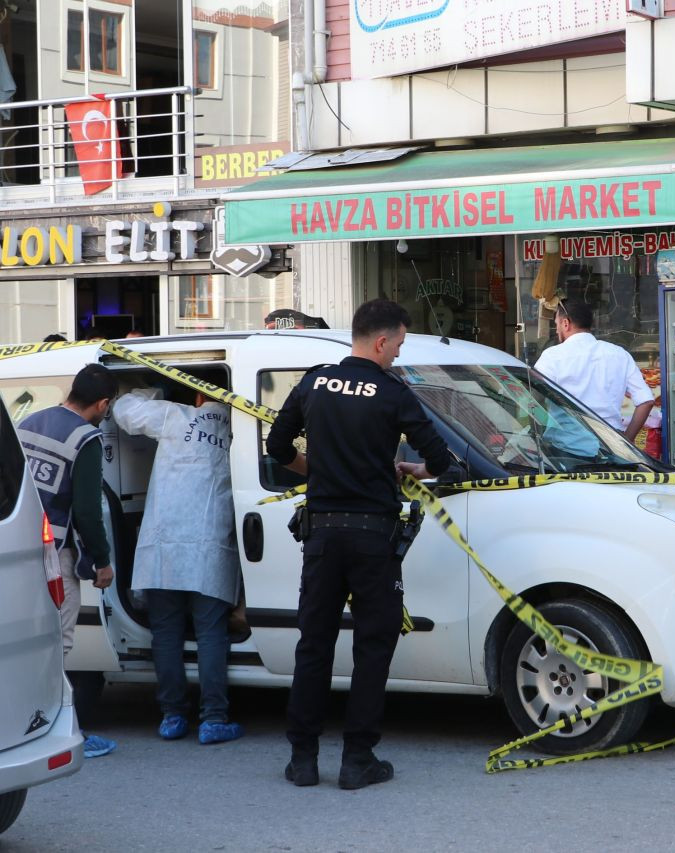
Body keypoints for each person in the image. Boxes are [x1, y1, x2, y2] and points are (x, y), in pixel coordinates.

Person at [266, 299, 453, 790]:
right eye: (399, 345)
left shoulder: (313, 381)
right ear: (382, 341)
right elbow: (441, 460)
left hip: (322, 535)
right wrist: (416, 470)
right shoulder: (393, 392)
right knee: (373, 648)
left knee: (314, 646)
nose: (398, 355)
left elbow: (278, 449)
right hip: (373, 538)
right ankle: (357, 761)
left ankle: (302, 760)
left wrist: (320, 471)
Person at [112, 385, 243, 745]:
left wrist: (151, 386)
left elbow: (124, 410)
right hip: (209, 549)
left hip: (165, 549)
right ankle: (214, 719)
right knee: (211, 634)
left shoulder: (174, 415)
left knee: (166, 634)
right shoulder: (241, 429)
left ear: (198, 397)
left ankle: (173, 717)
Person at [16, 364, 119, 759]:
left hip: (16, 547)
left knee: (24, 643)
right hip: (53, 554)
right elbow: (89, 511)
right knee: (59, 642)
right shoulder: (86, 438)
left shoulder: (28, 422)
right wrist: (103, 562)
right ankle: (59, 731)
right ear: (103, 403)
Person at [534, 297, 654, 441]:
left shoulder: (552, 356)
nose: (557, 330)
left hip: (567, 445)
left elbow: (534, 397)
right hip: (613, 446)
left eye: (557, 324)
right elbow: (646, 401)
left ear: (565, 324)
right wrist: (628, 440)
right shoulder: (619, 354)